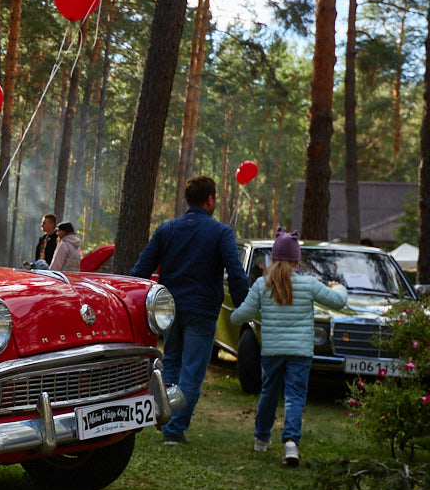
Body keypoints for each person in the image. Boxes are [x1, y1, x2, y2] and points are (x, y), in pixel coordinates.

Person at [131, 176, 250, 446]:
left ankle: (166, 419)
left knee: (171, 362)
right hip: (202, 311)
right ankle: (174, 429)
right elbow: (236, 274)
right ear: (210, 200)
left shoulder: (167, 229)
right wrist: (244, 306)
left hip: (169, 310)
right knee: (193, 371)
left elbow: (140, 270)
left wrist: (139, 302)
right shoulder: (221, 232)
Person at [230, 228, 347, 467]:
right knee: (295, 396)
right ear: (296, 260)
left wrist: (231, 317)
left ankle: (261, 439)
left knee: (269, 393)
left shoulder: (262, 285)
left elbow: (244, 314)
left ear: (273, 258)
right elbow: (339, 302)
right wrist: (338, 287)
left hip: (272, 351)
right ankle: (291, 443)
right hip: (300, 352)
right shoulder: (309, 284)